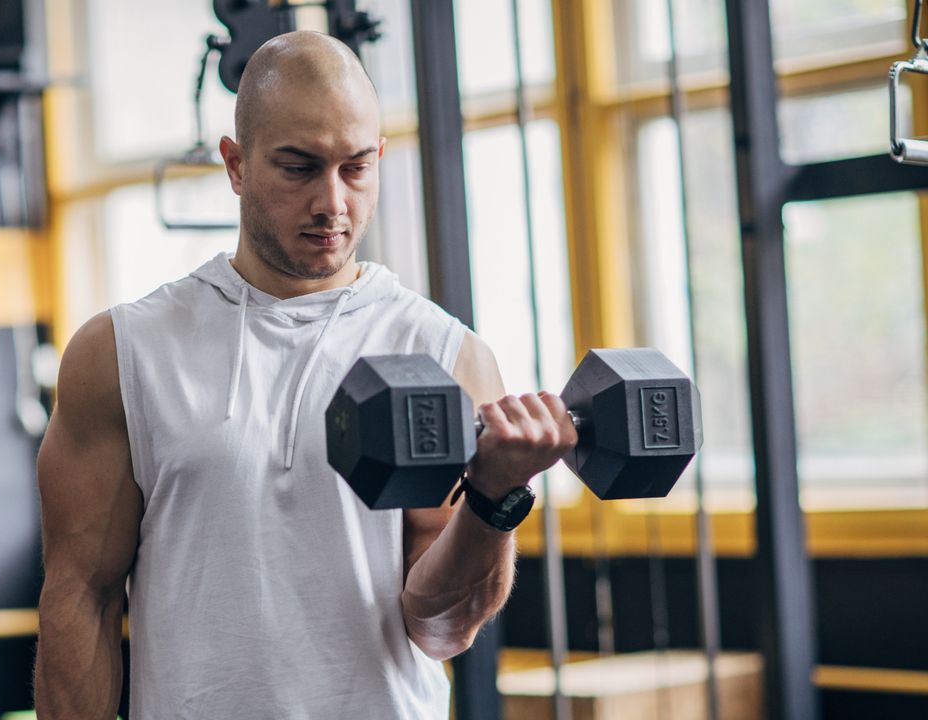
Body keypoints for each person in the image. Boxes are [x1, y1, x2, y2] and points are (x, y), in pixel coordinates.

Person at [33, 30, 577, 720]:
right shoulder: (125, 353)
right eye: (298, 168)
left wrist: (494, 500)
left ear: (380, 158)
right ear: (234, 165)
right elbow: (79, 600)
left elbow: (441, 629)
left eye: (356, 169)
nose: (332, 204)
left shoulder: (443, 353)